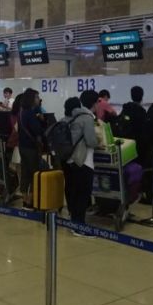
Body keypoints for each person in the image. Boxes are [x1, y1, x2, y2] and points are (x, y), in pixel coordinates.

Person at [63, 93, 99, 236]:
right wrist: (98, 142)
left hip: (70, 160)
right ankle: (79, 227)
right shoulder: (87, 118)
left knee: (75, 192)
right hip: (84, 161)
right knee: (83, 195)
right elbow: (91, 141)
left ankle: (74, 222)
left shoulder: (68, 118)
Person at [18, 88, 44, 208]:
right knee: (34, 173)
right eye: (37, 97)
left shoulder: (22, 112)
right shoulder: (30, 113)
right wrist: (41, 121)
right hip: (31, 148)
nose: (39, 99)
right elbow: (37, 130)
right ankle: (32, 200)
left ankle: (25, 199)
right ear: (32, 99)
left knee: (25, 173)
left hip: (22, 146)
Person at [118, 86, 149, 166]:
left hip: (126, 142)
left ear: (131, 96)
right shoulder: (141, 111)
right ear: (142, 96)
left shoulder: (126, 108)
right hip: (138, 144)